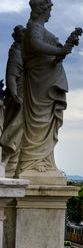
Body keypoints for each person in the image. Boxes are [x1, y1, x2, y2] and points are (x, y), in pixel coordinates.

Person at [16, 0, 73, 180]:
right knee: (39, 120)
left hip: (45, 79)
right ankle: (33, 161)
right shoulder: (35, 27)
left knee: (46, 121)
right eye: (49, 10)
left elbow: (40, 47)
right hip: (40, 81)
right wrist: (58, 51)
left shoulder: (37, 27)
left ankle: (44, 159)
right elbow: (35, 44)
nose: (50, 13)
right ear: (43, 10)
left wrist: (59, 53)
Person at [0, 25, 26, 178]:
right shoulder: (16, 52)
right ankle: (5, 158)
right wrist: (15, 95)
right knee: (17, 125)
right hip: (19, 95)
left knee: (21, 128)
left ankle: (12, 162)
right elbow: (11, 75)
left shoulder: (24, 53)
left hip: (24, 94)